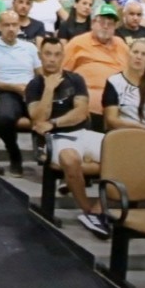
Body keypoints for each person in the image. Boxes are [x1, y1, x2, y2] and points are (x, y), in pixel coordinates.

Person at [27, 36, 102, 231]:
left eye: (57, 55)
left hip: (82, 132)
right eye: (48, 54)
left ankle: (100, 207)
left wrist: (54, 122)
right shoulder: (34, 85)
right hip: (55, 139)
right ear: (40, 56)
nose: (52, 59)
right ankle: (88, 210)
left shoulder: (75, 79)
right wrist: (49, 89)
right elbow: (37, 119)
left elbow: (81, 112)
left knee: (124, 154)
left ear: (63, 57)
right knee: (70, 160)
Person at [0, 11, 42, 173]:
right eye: (6, 25)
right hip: (5, 91)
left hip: (30, 92)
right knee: (4, 118)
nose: (11, 29)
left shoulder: (30, 47)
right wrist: (13, 87)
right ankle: (14, 153)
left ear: (19, 27)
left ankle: (46, 153)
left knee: (55, 112)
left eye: (14, 25)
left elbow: (41, 75)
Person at [63, 2, 130, 92]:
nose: (106, 27)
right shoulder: (77, 43)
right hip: (87, 95)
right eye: (102, 22)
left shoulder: (121, 44)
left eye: (110, 24)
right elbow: (61, 72)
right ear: (93, 23)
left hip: (121, 95)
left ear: (115, 27)